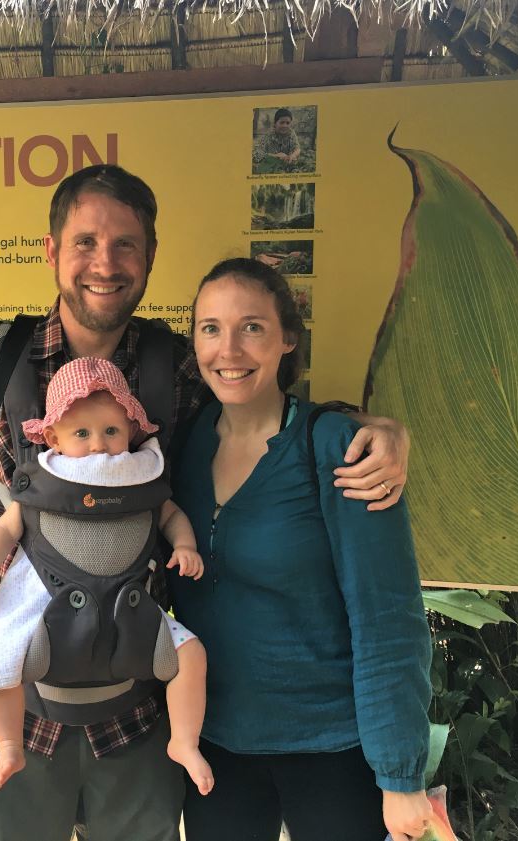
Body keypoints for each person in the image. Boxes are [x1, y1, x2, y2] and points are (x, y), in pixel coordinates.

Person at [0, 164, 410, 841]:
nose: (103, 265)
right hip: (18, 706)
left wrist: (365, 427)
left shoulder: (174, 368)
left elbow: (259, 418)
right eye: (84, 243)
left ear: (148, 258)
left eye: (124, 246)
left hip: (140, 706)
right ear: (53, 251)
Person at [169, 257, 434, 841]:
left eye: (252, 327)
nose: (229, 349)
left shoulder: (340, 448)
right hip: (214, 746)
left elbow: (388, 618)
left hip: (329, 747)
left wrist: (400, 776)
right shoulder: (181, 443)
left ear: (288, 338)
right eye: (210, 328)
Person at [0, 357, 213, 795]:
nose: (99, 444)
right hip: (45, 613)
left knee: (191, 656)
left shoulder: (142, 474)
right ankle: (8, 743)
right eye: (82, 433)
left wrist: (185, 546)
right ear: (53, 438)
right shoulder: (43, 481)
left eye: (111, 431)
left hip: (131, 614)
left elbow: (171, 516)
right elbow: (4, 529)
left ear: (132, 431)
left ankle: (184, 741)